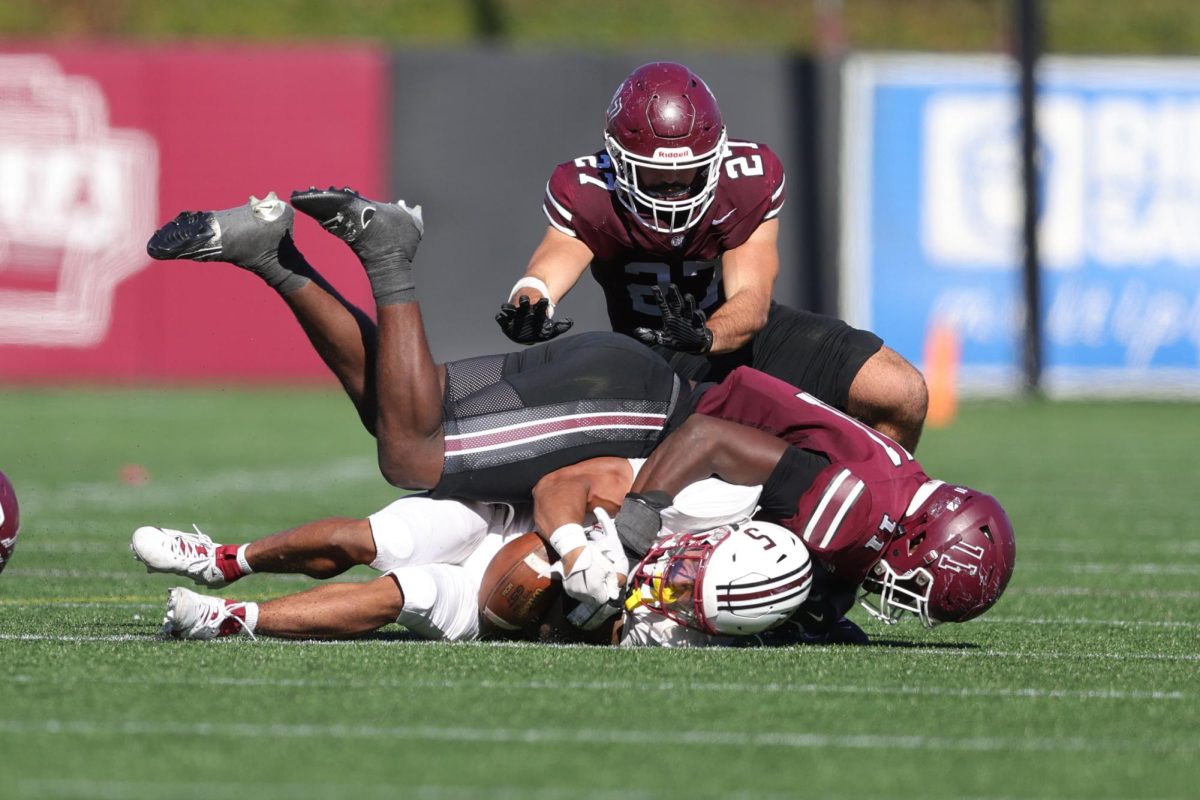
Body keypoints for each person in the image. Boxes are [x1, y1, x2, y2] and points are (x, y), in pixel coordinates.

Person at [147, 188, 688, 620]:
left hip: (623, 384)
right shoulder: (725, 487)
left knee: (397, 409)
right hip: (641, 407)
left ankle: (272, 254)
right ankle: (388, 255)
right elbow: (564, 488)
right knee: (411, 457)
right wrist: (575, 552)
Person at [494, 61, 929, 453]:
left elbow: (752, 302)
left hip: (733, 334)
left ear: (716, 156)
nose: (674, 186)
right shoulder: (588, 188)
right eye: (656, 173)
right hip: (647, 355)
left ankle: (882, 514)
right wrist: (530, 301)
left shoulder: (748, 180)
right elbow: (551, 264)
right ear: (618, 161)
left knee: (899, 389)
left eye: (690, 171)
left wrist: (704, 335)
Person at [131, 458, 814, 648]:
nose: (676, 579)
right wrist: (577, 552)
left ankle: (231, 619)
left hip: (502, 607)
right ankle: (223, 559)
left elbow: (559, 632)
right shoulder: (699, 500)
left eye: (690, 592)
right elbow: (561, 484)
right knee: (372, 540)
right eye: (692, 565)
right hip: (504, 520)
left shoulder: (689, 639)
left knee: (404, 594)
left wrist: (573, 618)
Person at [614, 367, 1017, 628]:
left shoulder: (903, 491)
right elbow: (707, 438)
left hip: (694, 417)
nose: (906, 598)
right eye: (917, 586)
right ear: (917, 539)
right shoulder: (862, 512)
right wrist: (632, 534)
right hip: (660, 419)